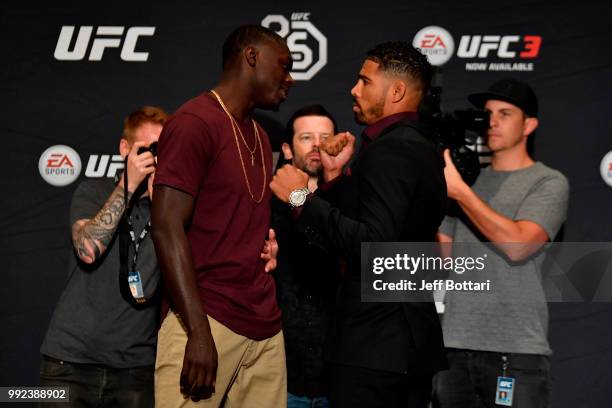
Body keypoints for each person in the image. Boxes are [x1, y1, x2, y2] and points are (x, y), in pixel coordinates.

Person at [270, 41, 447, 408]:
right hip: (397, 345)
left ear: (396, 91)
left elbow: (374, 246)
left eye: (364, 81)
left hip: (376, 347)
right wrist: (335, 180)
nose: (353, 89)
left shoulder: (392, 149)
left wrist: (301, 198)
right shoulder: (418, 144)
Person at [150, 24, 293, 407]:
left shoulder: (261, 137)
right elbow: (166, 227)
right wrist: (197, 332)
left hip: (264, 325)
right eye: (284, 65)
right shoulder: (194, 122)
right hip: (206, 318)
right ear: (252, 57)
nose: (290, 78)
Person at [433, 79, 570, 408]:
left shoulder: (548, 181)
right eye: (488, 114)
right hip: (453, 346)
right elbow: (445, 258)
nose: (492, 121)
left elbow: (519, 245)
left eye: (505, 114)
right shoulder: (465, 179)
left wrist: (460, 194)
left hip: (515, 350)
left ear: (529, 124)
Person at [40, 106, 167, 407]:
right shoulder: (94, 191)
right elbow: (88, 250)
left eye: (162, 151)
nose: (153, 160)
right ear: (125, 149)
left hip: (135, 369)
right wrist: (129, 184)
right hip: (68, 364)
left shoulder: (172, 211)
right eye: (146, 150)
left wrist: (164, 202)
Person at [272, 105, 341, 408]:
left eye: (325, 137)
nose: (316, 145)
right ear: (287, 149)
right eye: (306, 137)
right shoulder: (263, 206)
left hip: (340, 377)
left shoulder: (352, 203)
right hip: (280, 375)